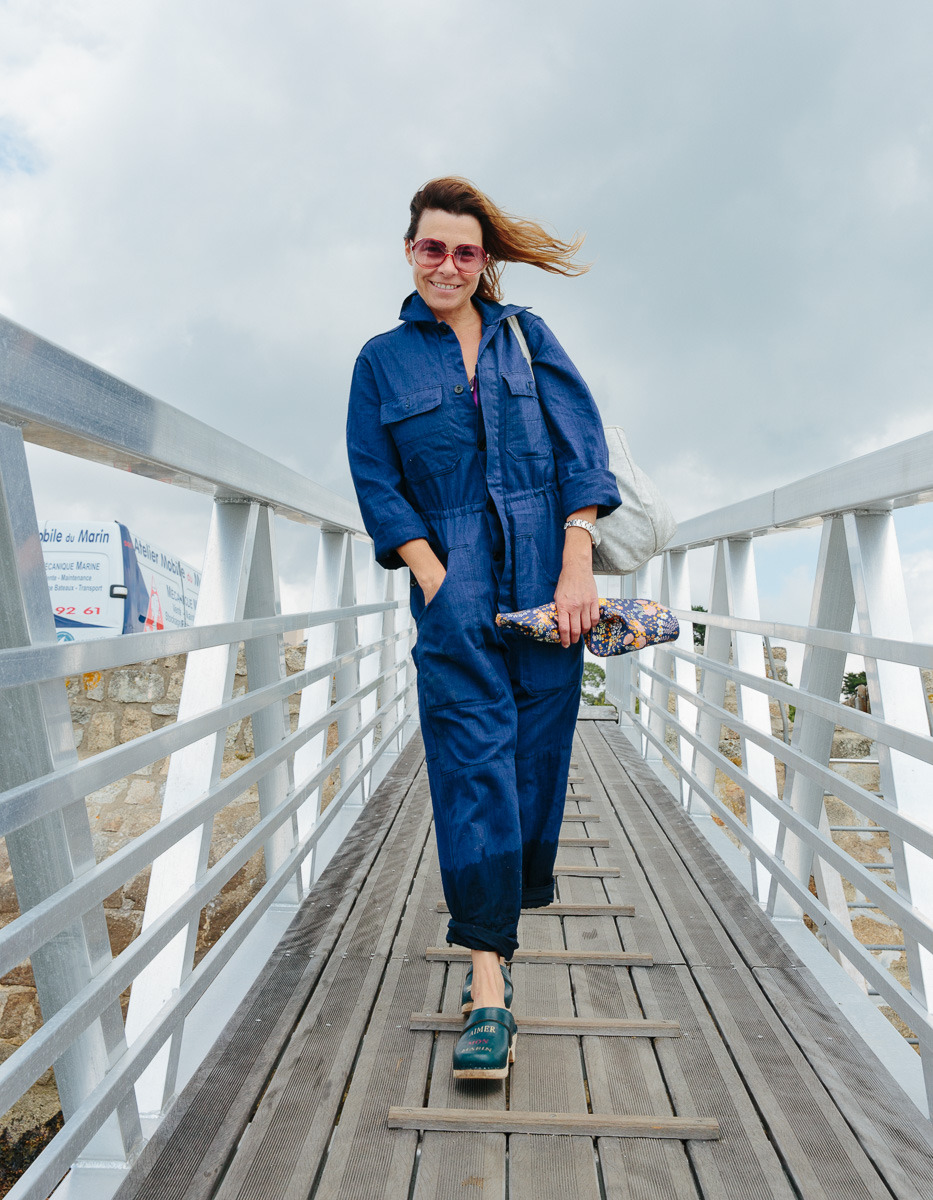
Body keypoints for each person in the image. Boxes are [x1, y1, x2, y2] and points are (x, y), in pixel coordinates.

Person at [346, 177, 620, 1078]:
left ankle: (499, 925)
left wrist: (577, 558)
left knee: (530, 767)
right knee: (470, 768)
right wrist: (436, 578)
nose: (448, 265)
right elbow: (376, 481)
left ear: (485, 261)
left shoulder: (527, 338)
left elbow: (583, 447)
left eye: (466, 252)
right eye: (433, 248)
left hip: (549, 585)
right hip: (451, 590)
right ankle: (487, 987)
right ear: (409, 251)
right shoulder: (381, 362)